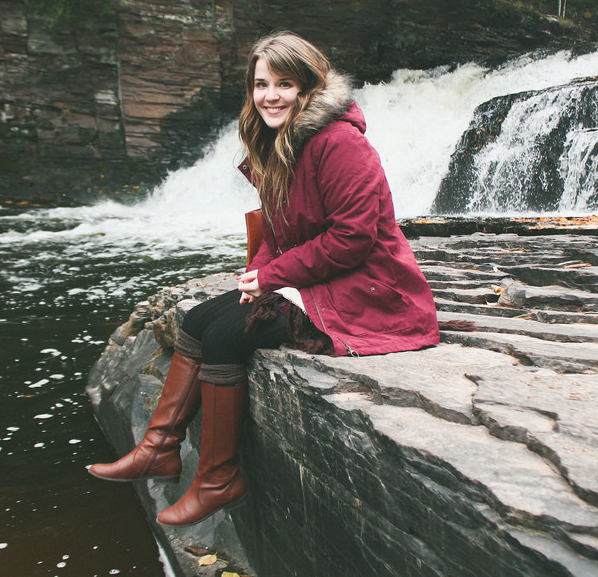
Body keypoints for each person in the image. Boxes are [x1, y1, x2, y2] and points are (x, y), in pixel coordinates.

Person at [86, 31, 440, 526]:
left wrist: (274, 274)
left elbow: (353, 238)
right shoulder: (277, 143)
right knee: (200, 320)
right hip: (318, 279)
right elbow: (278, 228)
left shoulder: (340, 143)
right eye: (260, 84)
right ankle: (159, 448)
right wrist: (261, 270)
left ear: (309, 88)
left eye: (284, 84)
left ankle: (218, 478)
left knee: (230, 334)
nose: (270, 95)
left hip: (371, 291)